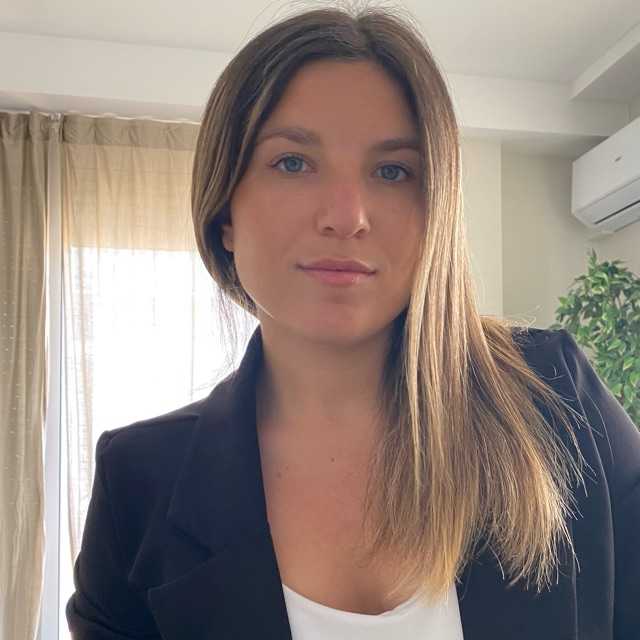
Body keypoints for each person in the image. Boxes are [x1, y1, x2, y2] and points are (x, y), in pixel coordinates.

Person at [66, 4, 640, 639]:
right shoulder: (139, 482)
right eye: (292, 162)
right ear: (225, 211)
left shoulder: (555, 398)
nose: (347, 216)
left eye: (392, 171)